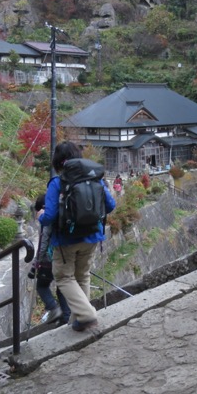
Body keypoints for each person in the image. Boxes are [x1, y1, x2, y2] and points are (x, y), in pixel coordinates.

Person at [39, 141, 116, 332]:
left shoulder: (58, 182)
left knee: (63, 277)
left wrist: (40, 216)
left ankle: (87, 315)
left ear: (57, 161)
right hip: (92, 236)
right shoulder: (95, 178)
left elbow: (49, 217)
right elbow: (111, 205)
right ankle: (78, 319)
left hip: (66, 240)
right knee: (82, 275)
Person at [31, 194, 71, 325]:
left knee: (42, 286)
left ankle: (53, 308)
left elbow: (43, 241)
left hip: (50, 258)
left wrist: (37, 262)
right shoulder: (62, 211)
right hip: (66, 255)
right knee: (62, 285)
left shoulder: (47, 218)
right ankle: (66, 315)